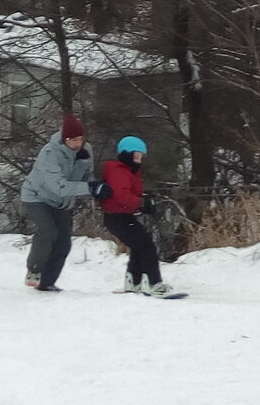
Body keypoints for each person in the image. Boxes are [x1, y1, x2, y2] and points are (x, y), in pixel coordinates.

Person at [21, 114, 112, 291]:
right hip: (37, 197)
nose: (78, 144)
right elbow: (60, 187)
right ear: (64, 139)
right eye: (73, 140)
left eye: (80, 139)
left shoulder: (86, 150)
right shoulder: (49, 154)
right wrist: (90, 188)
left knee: (63, 243)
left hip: (62, 203)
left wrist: (97, 188)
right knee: (48, 231)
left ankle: (46, 283)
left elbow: (88, 177)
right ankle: (34, 270)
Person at [100, 135, 178, 298]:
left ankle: (133, 282)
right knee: (146, 246)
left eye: (141, 156)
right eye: (136, 156)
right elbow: (121, 196)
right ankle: (154, 283)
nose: (139, 159)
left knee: (139, 244)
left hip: (123, 216)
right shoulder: (118, 171)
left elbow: (130, 194)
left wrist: (145, 202)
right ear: (127, 155)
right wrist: (142, 203)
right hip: (117, 217)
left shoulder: (130, 171)